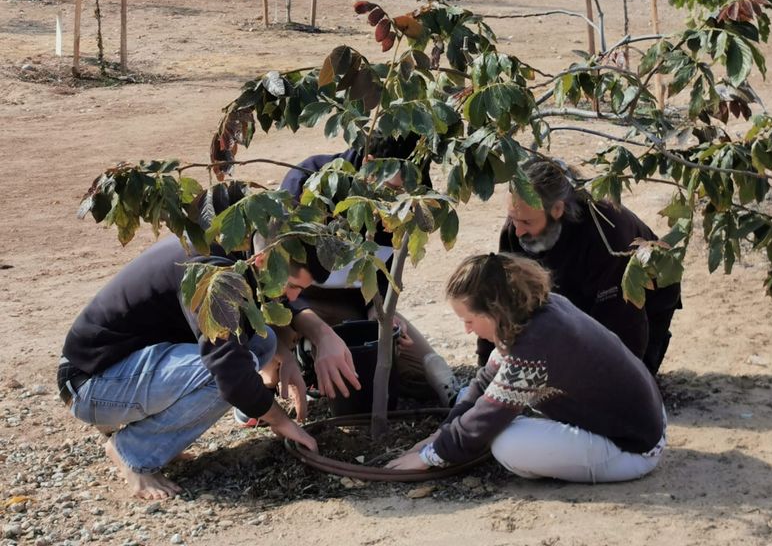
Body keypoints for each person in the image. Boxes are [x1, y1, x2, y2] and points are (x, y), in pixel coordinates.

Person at [57, 234, 359, 500]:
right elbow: (229, 371)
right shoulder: (214, 277)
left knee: (261, 345)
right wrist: (281, 421)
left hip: (126, 365)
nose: (294, 297)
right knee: (228, 375)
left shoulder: (239, 247)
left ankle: (150, 432)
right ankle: (132, 452)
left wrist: (288, 358)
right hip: (90, 383)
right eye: (292, 286)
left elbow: (254, 331)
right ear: (264, 259)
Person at [387, 253, 667, 482]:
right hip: (643, 425)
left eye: (470, 320)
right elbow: (485, 382)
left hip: (633, 449)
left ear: (494, 311)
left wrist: (429, 457)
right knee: (473, 405)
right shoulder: (541, 310)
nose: (467, 330)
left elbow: (488, 415)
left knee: (507, 443)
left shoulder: (534, 346)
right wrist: (441, 435)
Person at [281, 136, 460, 406]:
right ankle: (298, 355)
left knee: (428, 377)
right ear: (370, 166)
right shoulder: (309, 184)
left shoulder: (401, 204)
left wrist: (379, 312)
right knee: (338, 370)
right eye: (393, 189)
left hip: (354, 308)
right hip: (301, 304)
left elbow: (382, 271)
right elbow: (279, 289)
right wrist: (320, 333)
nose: (397, 203)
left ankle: (318, 351)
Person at [492, 159, 682, 374]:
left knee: (623, 379)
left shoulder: (607, 236)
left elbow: (624, 324)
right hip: (574, 292)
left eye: (526, 223)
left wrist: (622, 382)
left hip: (642, 299)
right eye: (512, 218)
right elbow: (501, 297)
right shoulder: (518, 224)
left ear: (557, 209)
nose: (517, 232)